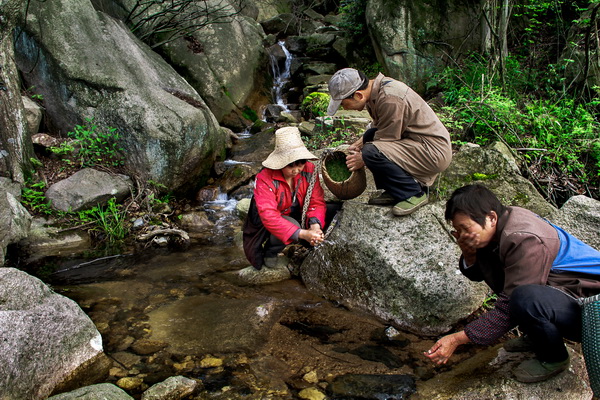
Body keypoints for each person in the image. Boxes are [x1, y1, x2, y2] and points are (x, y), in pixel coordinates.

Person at [425, 184, 600, 383]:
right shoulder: (501, 223)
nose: (463, 236)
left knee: (525, 299)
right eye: (458, 231)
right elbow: (488, 276)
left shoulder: (524, 238)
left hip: (592, 311)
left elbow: (509, 306)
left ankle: (554, 358)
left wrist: (457, 339)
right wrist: (469, 253)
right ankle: (537, 336)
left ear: (491, 217)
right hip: (568, 294)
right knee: (520, 293)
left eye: (466, 228)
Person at [327, 68, 452, 216]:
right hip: (415, 143)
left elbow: (385, 141)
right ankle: (395, 190)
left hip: (432, 152)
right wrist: (357, 145)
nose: (344, 108)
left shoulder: (390, 98)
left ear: (358, 95)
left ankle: (413, 193)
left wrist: (362, 159)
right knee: (369, 137)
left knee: (370, 152)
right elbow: (378, 128)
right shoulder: (374, 94)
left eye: (343, 104)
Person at [240, 126, 328, 283]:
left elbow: (316, 201)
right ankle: (271, 252)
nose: (296, 170)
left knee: (331, 213)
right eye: (291, 165)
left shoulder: (310, 170)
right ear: (280, 163)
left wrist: (315, 226)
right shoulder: (265, 177)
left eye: (300, 164)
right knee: (293, 225)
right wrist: (303, 233)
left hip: (295, 211)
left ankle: (300, 242)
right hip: (265, 221)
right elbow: (269, 216)